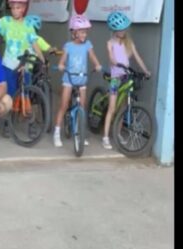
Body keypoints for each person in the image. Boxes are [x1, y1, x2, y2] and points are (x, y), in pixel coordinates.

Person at [0, 0, 45, 136]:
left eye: (18, 8)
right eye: (13, 8)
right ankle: (9, 122)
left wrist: (42, 60)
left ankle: (30, 123)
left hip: (24, 65)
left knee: (26, 94)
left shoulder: (28, 25)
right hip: (8, 65)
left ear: (23, 9)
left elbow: (34, 43)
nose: (15, 10)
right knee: (9, 95)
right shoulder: (6, 21)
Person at [102, 11, 151, 149]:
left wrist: (145, 71)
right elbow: (111, 57)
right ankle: (105, 137)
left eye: (123, 28)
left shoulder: (129, 43)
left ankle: (117, 134)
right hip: (115, 79)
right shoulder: (110, 43)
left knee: (124, 108)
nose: (122, 31)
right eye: (119, 29)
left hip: (126, 77)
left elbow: (137, 57)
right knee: (112, 108)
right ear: (114, 30)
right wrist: (116, 63)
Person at [53, 14, 102, 147]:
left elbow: (92, 56)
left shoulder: (87, 45)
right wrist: (61, 65)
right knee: (63, 105)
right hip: (69, 78)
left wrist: (97, 64)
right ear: (74, 32)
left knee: (82, 107)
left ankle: (80, 134)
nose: (84, 34)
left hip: (82, 78)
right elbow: (62, 61)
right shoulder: (68, 46)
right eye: (81, 31)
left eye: (85, 32)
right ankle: (57, 133)